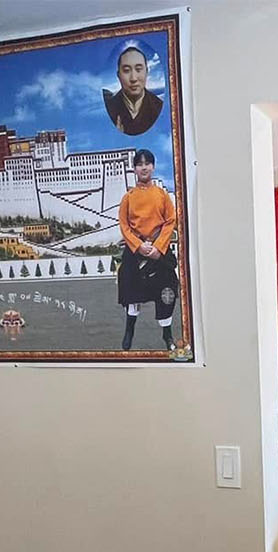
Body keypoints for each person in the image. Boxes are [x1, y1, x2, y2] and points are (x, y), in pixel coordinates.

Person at [117, 149, 178, 351]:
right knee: (131, 289)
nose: (144, 167)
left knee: (167, 289)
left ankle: (167, 335)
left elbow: (170, 221)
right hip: (137, 250)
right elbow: (124, 225)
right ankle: (129, 331)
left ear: (153, 167)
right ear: (134, 169)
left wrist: (159, 247)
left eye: (147, 163)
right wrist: (138, 246)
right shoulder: (128, 197)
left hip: (159, 250)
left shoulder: (162, 195)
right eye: (139, 164)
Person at [102, 42, 163, 137]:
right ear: (118, 75)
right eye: (126, 71)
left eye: (138, 69)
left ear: (146, 72)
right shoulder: (109, 109)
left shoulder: (158, 107)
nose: (133, 78)